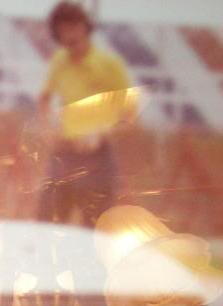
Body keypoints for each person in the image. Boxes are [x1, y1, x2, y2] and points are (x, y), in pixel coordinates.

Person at [36, 1, 133, 227]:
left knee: (97, 225)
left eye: (74, 27)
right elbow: (44, 98)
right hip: (64, 153)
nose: (70, 34)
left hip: (97, 155)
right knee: (47, 222)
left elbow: (128, 114)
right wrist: (48, 128)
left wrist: (100, 134)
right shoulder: (59, 61)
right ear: (57, 34)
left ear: (85, 27)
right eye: (63, 30)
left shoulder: (110, 65)